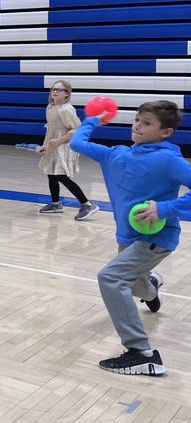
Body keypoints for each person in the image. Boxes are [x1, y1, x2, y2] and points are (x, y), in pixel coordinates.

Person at [71, 100, 191, 375]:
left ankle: (141, 353)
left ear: (166, 132)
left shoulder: (169, 160)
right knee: (134, 286)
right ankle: (150, 286)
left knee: (111, 278)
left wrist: (164, 208)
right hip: (127, 236)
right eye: (137, 119)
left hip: (158, 239)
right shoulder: (116, 154)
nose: (137, 125)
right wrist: (93, 120)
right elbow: (77, 144)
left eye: (146, 123)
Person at [36, 80, 99, 220]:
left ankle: (87, 204)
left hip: (65, 144)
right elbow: (50, 130)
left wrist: (59, 141)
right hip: (54, 144)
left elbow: (77, 129)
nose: (55, 91)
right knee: (51, 173)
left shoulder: (66, 109)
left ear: (66, 94)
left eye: (60, 89)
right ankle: (55, 204)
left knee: (60, 175)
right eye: (54, 89)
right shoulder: (50, 107)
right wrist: (44, 146)